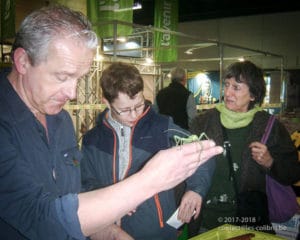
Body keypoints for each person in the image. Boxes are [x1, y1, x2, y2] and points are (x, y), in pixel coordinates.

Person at [0, 5, 224, 240]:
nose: (73, 93)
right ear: (23, 61)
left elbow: (72, 196)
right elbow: (39, 217)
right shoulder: (89, 138)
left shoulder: (61, 121)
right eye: (63, 76)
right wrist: (145, 183)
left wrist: (108, 229)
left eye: (79, 79)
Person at [80, 62, 216, 240]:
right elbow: (85, 183)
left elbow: (203, 152)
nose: (135, 115)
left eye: (139, 105)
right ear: (106, 102)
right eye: (125, 110)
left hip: (157, 232)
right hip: (109, 232)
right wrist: (113, 199)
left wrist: (196, 190)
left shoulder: (162, 127)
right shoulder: (92, 140)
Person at [190, 60, 300, 233]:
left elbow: (293, 172)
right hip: (207, 221)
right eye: (226, 85)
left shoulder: (269, 127)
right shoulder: (202, 122)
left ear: (253, 95)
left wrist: (271, 162)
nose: (227, 92)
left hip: (249, 220)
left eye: (236, 87)